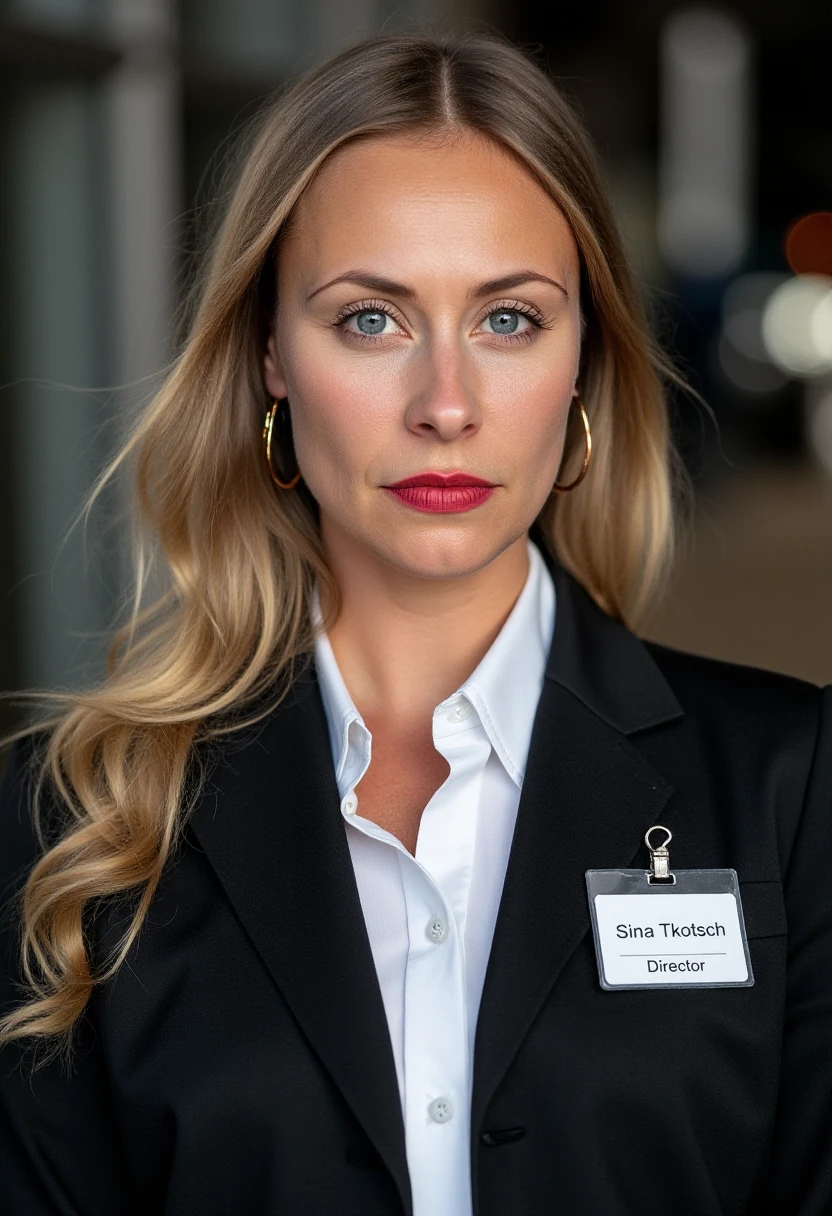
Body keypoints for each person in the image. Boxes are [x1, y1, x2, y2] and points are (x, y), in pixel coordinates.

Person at [0, 25, 830, 1216]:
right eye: (370, 320)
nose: (446, 403)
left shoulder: (789, 786)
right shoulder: (73, 823)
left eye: (508, 319)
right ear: (268, 355)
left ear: (585, 359)